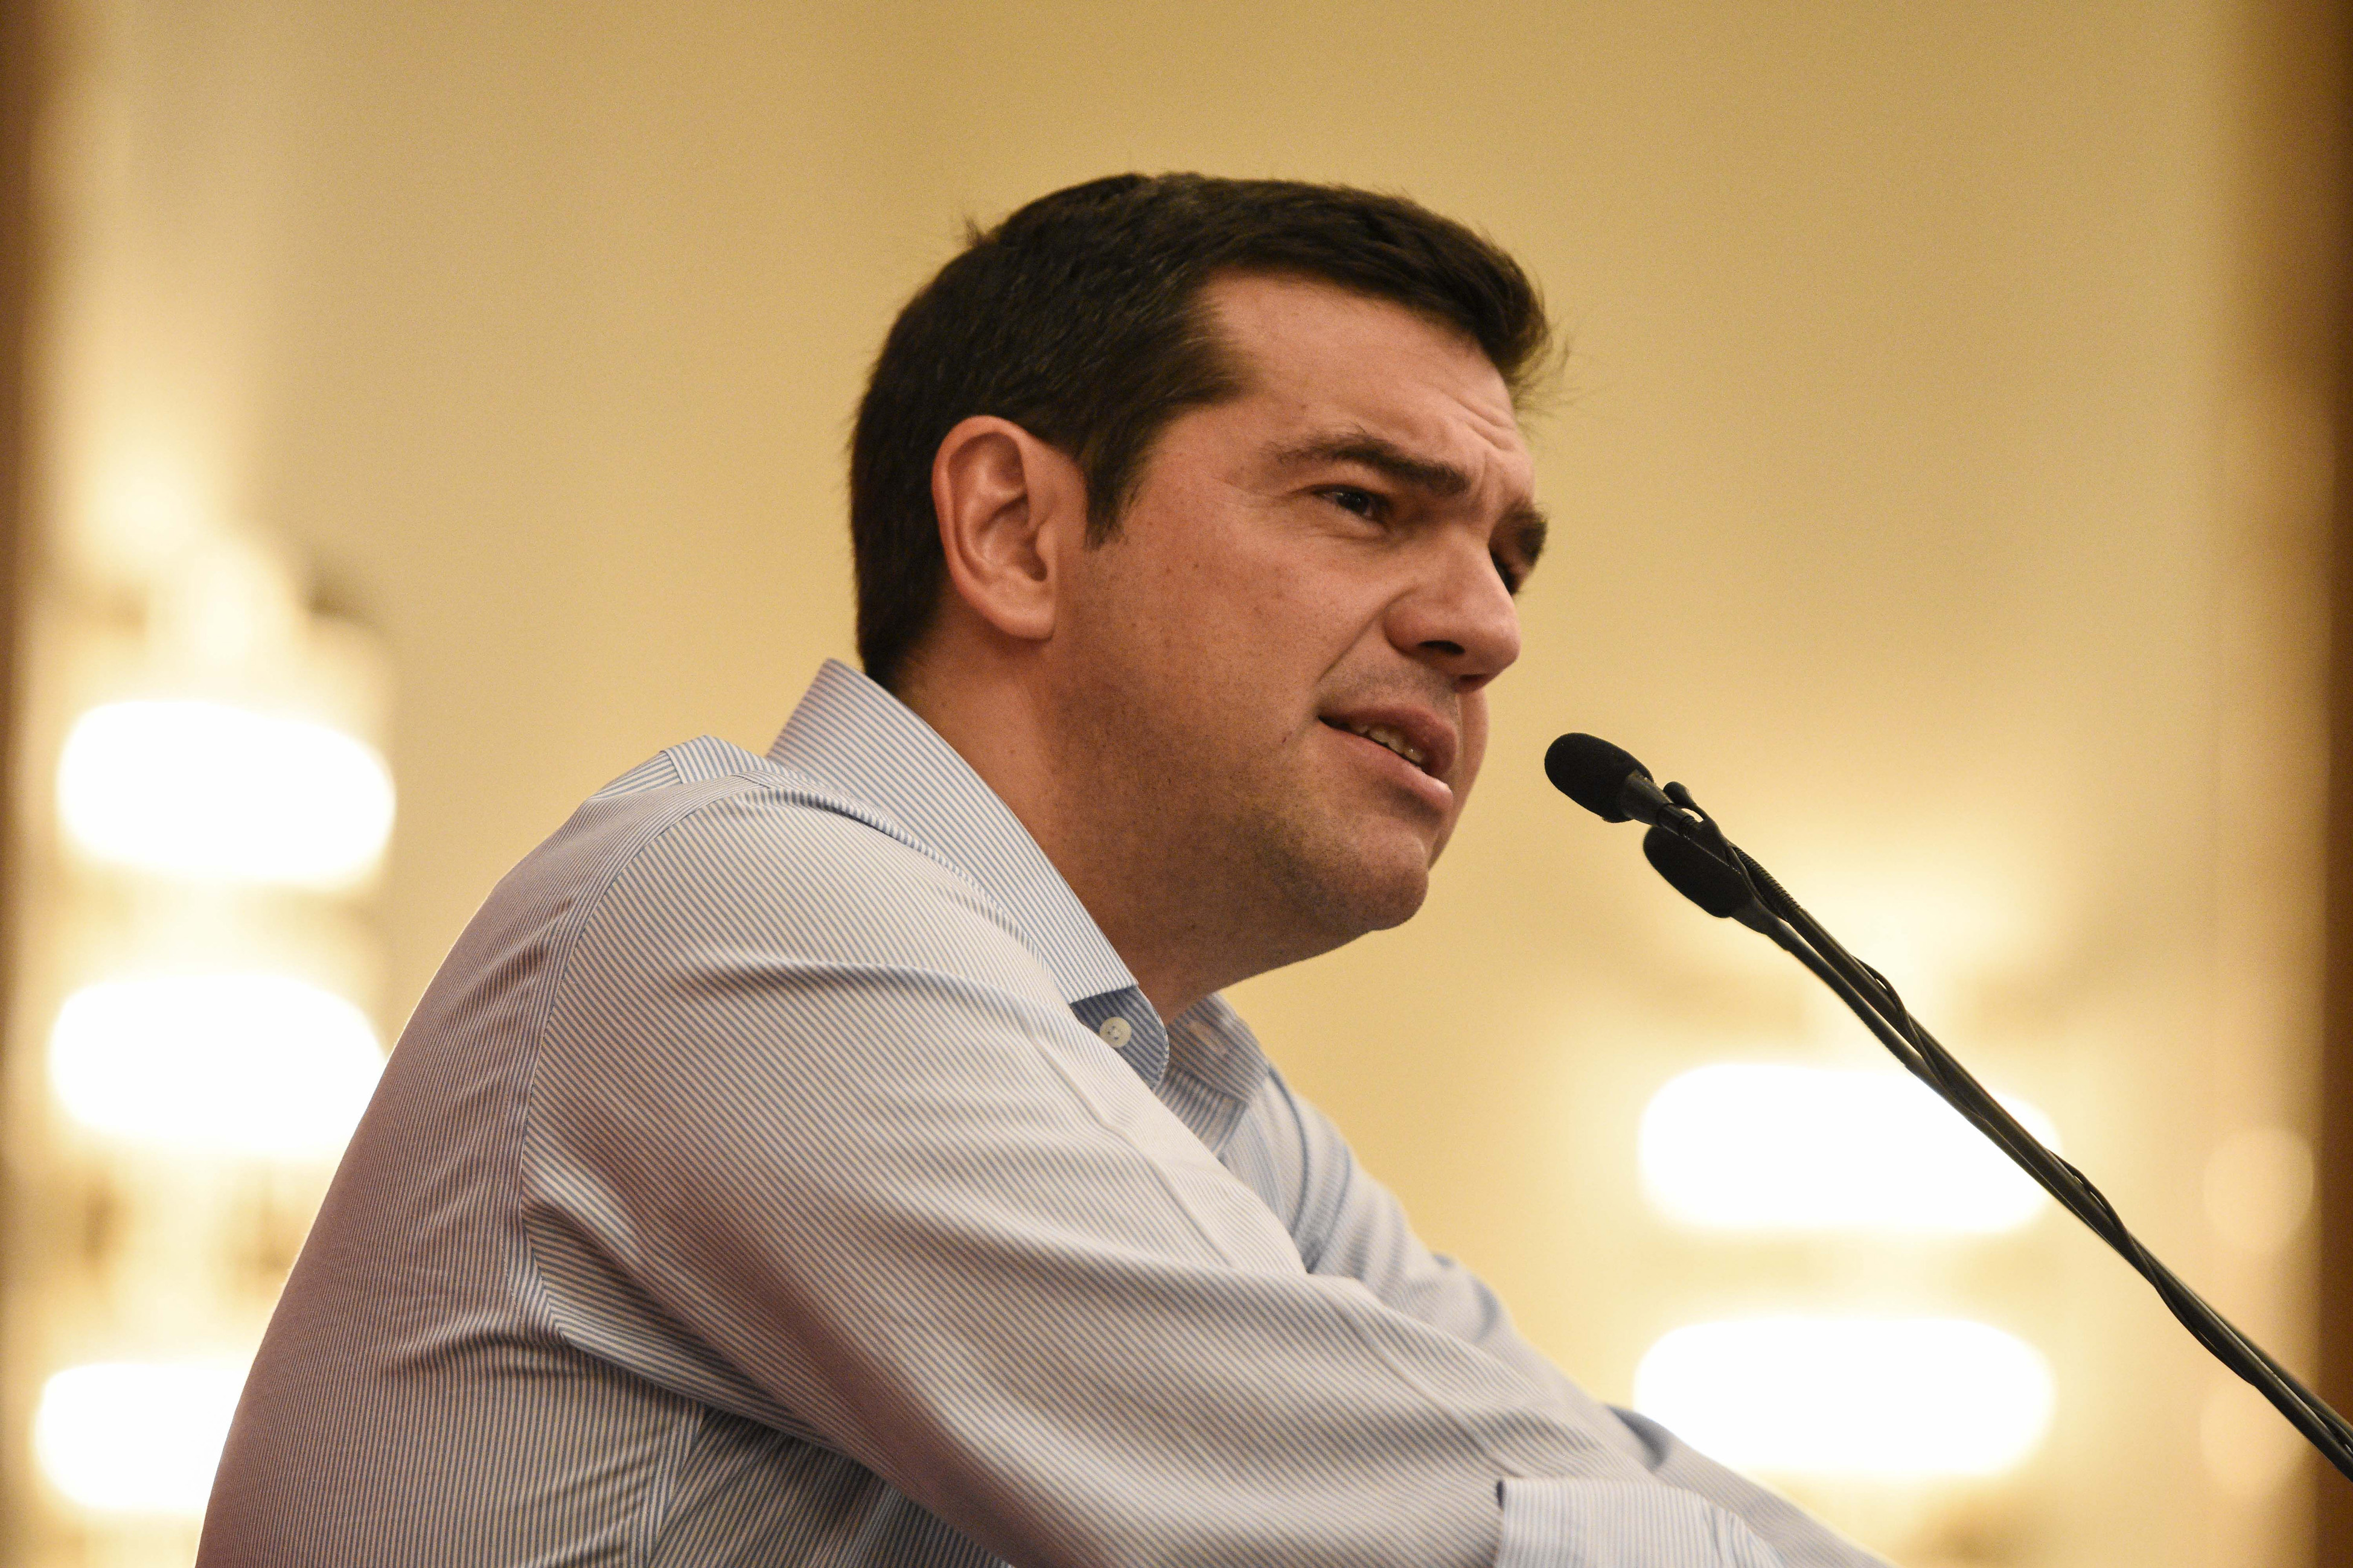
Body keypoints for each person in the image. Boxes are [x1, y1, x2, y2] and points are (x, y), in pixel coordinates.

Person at [198, 174, 1888, 1568]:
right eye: (1367, 503)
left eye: (1508, 557)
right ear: (1014, 533)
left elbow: (1573, 1470)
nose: (1487, 627)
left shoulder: (1200, 1091)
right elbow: (1455, 1540)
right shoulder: (739, 920)